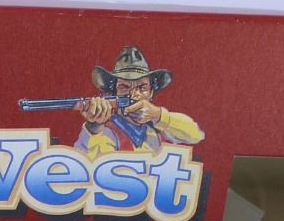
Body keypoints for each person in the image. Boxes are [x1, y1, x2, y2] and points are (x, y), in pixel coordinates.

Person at [74, 46, 204, 157]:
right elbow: (90, 164)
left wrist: (158, 115)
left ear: (151, 93)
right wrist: (94, 127)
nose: (134, 95)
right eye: (124, 87)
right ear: (114, 92)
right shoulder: (106, 131)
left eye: (142, 87)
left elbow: (196, 135)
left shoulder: (157, 127)